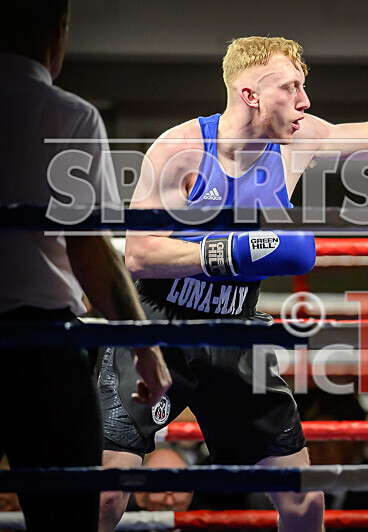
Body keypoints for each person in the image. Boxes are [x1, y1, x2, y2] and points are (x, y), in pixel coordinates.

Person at [98, 36, 368, 532]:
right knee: (105, 494)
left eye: (304, 86)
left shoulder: (297, 141)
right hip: (161, 327)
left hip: (234, 332)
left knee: (304, 501)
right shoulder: (181, 148)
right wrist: (229, 253)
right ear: (250, 94)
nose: (305, 101)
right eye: (290, 87)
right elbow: (141, 255)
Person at [0, 1, 171, 530]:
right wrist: (145, 349)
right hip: (42, 351)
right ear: (57, 31)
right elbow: (90, 251)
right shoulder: (67, 114)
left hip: (45, 344)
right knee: (65, 519)